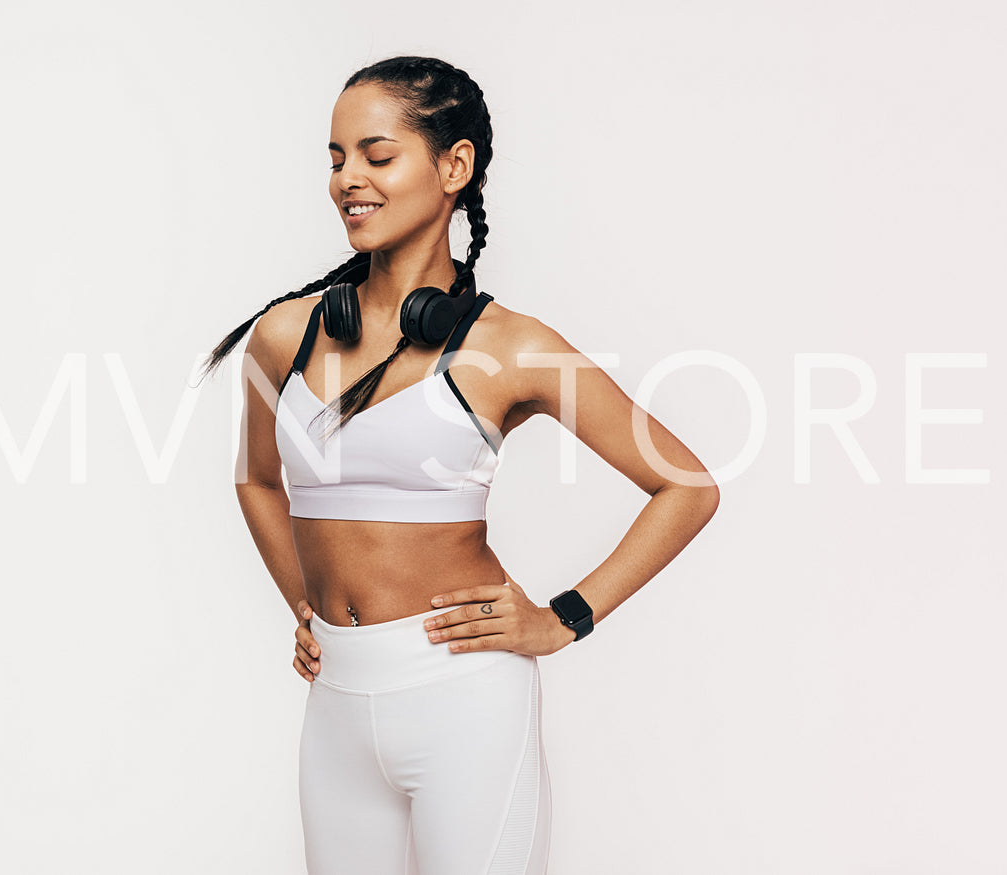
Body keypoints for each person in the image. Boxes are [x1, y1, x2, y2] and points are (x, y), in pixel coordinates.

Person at [199, 56, 720, 875]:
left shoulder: (510, 347)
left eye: (376, 155)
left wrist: (563, 617)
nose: (347, 181)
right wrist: (303, 603)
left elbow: (685, 485)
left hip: (464, 699)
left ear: (454, 165)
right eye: (335, 159)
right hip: (336, 701)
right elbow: (257, 480)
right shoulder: (281, 337)